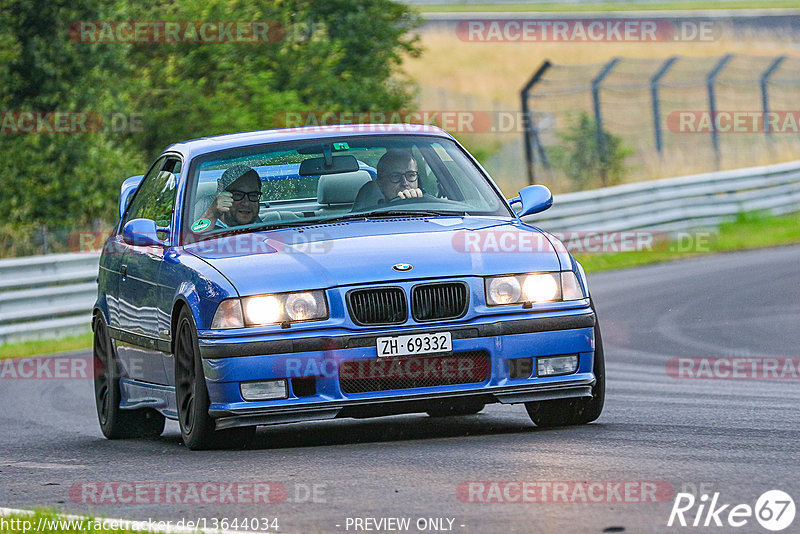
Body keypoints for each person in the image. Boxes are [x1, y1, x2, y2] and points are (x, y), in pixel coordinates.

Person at [352, 150, 424, 211]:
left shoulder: (429, 207)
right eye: (395, 176)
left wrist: (418, 203)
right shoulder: (369, 215)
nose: (405, 183)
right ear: (380, 182)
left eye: (411, 175)